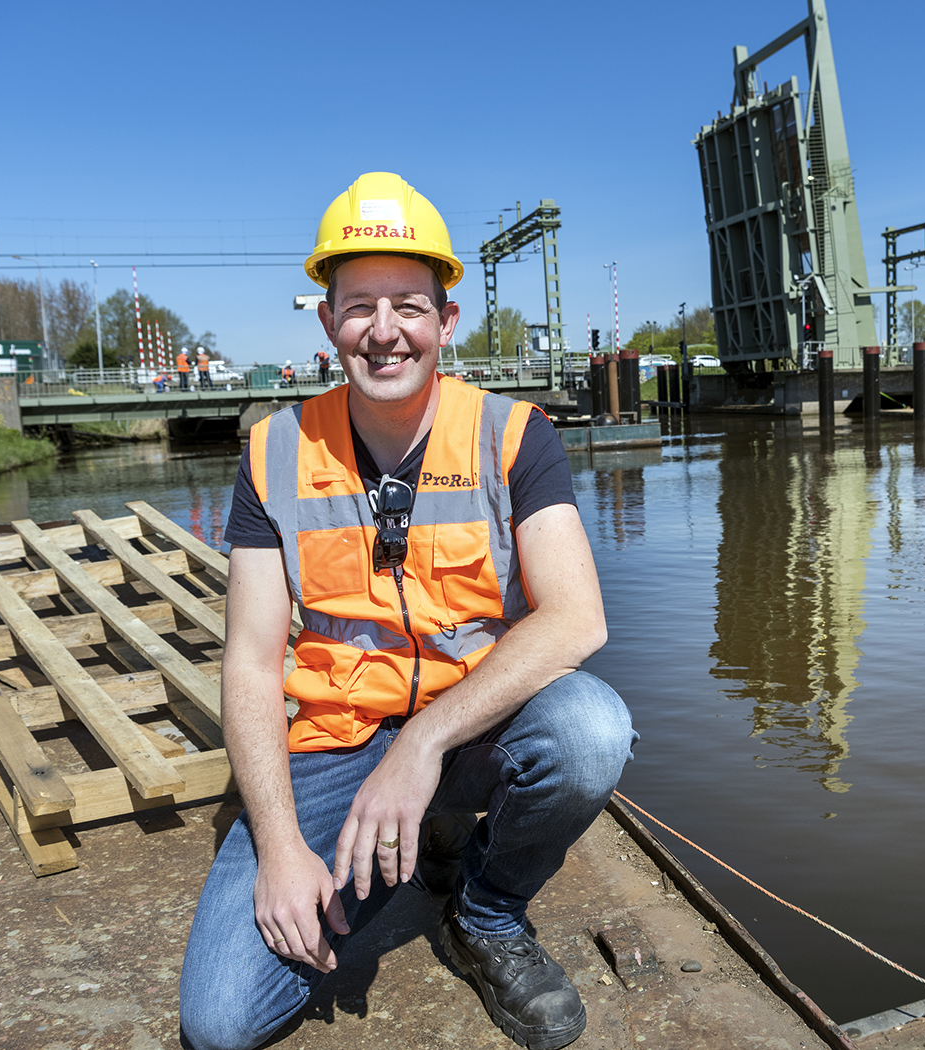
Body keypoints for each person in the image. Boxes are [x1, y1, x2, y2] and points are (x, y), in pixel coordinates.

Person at [178, 172, 633, 1050]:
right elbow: (247, 659)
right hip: (333, 741)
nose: (384, 332)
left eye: (408, 306)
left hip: (467, 728)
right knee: (221, 1022)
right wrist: (278, 845)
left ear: (445, 321)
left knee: (588, 731)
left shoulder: (512, 434)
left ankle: (486, 913)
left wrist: (423, 746)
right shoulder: (272, 453)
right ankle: (398, 841)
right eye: (358, 307)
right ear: (326, 322)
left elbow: (577, 619)